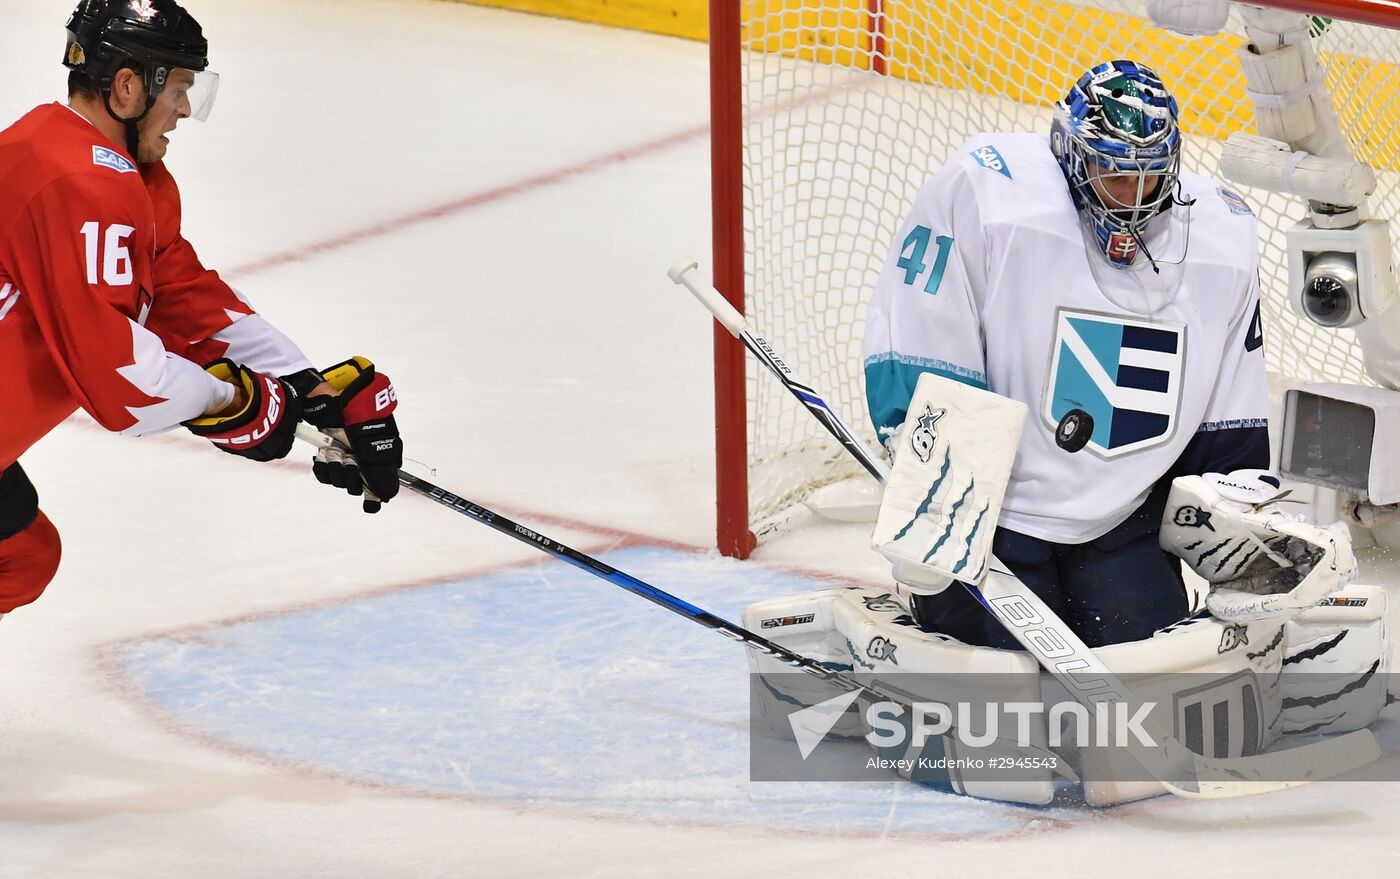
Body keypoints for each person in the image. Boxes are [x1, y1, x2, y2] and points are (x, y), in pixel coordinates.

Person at [0, 0, 404, 619]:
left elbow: (184, 297)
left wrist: (309, 387)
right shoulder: (76, 180)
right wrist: (232, 402)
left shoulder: (114, 173)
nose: (186, 110)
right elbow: (120, 383)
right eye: (180, 88)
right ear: (130, 86)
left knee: (22, 555)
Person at [861, 60, 1270, 648]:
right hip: (994, 514)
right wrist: (932, 487)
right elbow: (926, 322)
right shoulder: (990, 196)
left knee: (1153, 692)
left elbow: (1233, 389)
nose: (1132, 200)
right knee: (997, 713)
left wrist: (1233, 511)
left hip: (1123, 516)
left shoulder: (1219, 240)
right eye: (1114, 175)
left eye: (1148, 178)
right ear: (1071, 155)